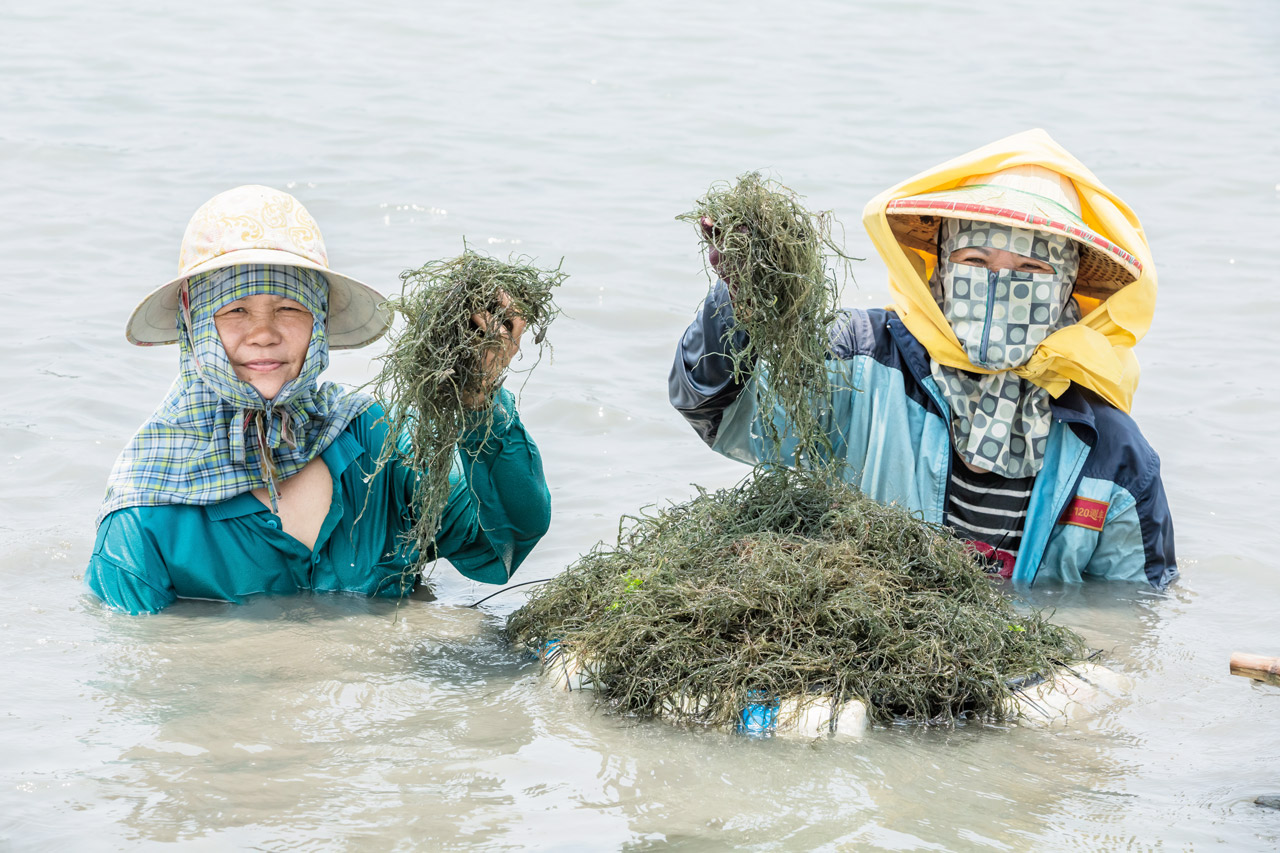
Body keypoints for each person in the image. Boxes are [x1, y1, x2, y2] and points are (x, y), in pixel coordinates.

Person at [669, 129, 1176, 589]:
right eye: (976, 261)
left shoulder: (1114, 457)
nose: (999, 286)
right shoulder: (860, 359)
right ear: (940, 270)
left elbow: (1131, 621)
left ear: (1066, 293)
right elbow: (724, 418)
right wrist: (737, 306)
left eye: (1030, 269)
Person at [85, 185, 551, 614]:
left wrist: (477, 397)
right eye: (234, 311)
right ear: (195, 324)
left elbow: (497, 552)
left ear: (320, 321)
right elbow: (145, 666)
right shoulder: (142, 517)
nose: (264, 334)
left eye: (289, 308)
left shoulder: (373, 441)